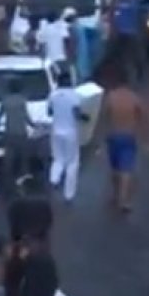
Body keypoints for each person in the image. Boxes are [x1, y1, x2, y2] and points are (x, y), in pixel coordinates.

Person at [103, 76, 144, 212]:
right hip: (128, 135)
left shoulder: (111, 97)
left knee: (115, 168)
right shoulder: (133, 98)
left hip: (113, 136)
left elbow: (105, 116)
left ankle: (115, 194)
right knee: (126, 169)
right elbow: (141, 116)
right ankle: (123, 200)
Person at [47, 72, 89, 204]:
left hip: (56, 131)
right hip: (70, 133)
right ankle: (68, 195)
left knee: (58, 158)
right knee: (72, 163)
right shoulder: (74, 95)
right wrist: (86, 118)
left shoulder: (52, 95)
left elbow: (49, 112)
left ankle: (54, 178)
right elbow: (76, 114)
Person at [0, 77, 34, 180]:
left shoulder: (5, 100)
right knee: (24, 157)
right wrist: (34, 125)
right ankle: (24, 175)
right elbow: (26, 117)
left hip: (9, 132)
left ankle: (7, 178)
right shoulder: (22, 100)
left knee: (9, 157)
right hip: (21, 132)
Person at [8, 175, 53, 246]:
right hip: (40, 240)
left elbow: (13, 223)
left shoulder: (16, 204)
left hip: (22, 241)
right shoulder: (44, 202)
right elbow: (49, 220)